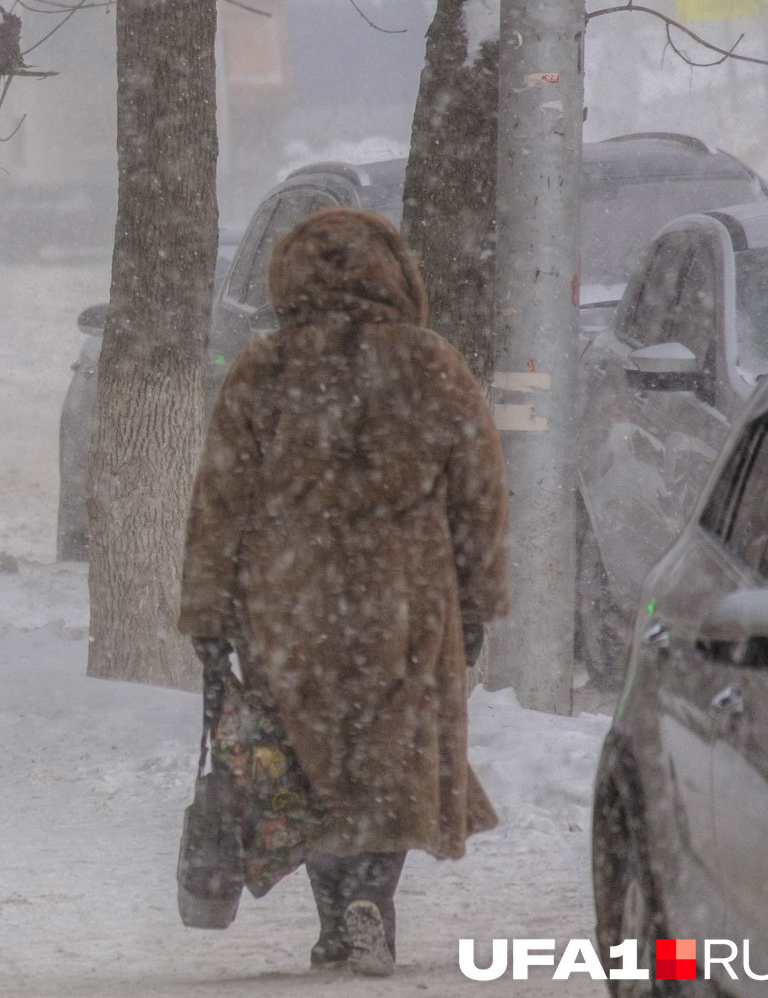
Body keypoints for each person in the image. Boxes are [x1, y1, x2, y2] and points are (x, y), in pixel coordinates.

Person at [178, 207, 509, 977]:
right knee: (390, 760)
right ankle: (372, 901)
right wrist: (476, 602)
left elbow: (219, 499)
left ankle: (335, 915)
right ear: (395, 274)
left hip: (288, 604)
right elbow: (480, 495)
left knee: (306, 761)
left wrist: (208, 613)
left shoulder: (262, 369)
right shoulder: (432, 365)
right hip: (407, 599)